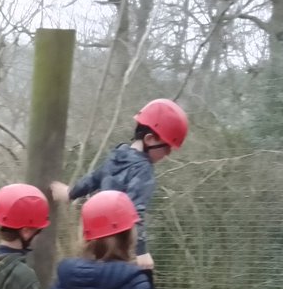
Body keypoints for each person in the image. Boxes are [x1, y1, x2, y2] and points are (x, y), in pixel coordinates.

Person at [50, 98, 188, 275]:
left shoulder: (118, 154)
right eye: (167, 148)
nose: (167, 154)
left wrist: (71, 192)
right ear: (150, 139)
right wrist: (142, 251)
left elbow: (94, 177)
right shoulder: (143, 170)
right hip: (119, 243)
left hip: (95, 237)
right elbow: (136, 211)